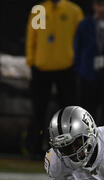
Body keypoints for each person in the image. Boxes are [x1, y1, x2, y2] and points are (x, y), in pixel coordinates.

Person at [25, 0, 84, 159]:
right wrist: (32, 61)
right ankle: (35, 147)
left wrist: (76, 62)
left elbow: (80, 38)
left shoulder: (74, 11)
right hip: (41, 67)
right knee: (39, 110)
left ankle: (71, 149)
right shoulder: (40, 10)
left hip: (66, 68)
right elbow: (33, 37)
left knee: (69, 112)